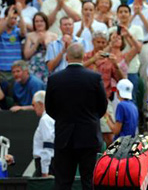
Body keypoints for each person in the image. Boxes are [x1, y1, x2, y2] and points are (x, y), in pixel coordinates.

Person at [45, 42, 108, 190]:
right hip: (89, 136)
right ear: (83, 56)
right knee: (89, 181)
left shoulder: (55, 79)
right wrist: (91, 119)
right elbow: (102, 106)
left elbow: (49, 108)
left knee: (62, 182)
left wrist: (63, 120)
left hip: (64, 136)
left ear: (67, 57)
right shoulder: (94, 78)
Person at [32, 90, 55, 177]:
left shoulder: (45, 119)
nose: (33, 108)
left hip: (47, 165)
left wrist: (45, 170)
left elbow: (48, 145)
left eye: (34, 105)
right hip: (50, 162)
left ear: (41, 104)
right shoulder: (51, 118)